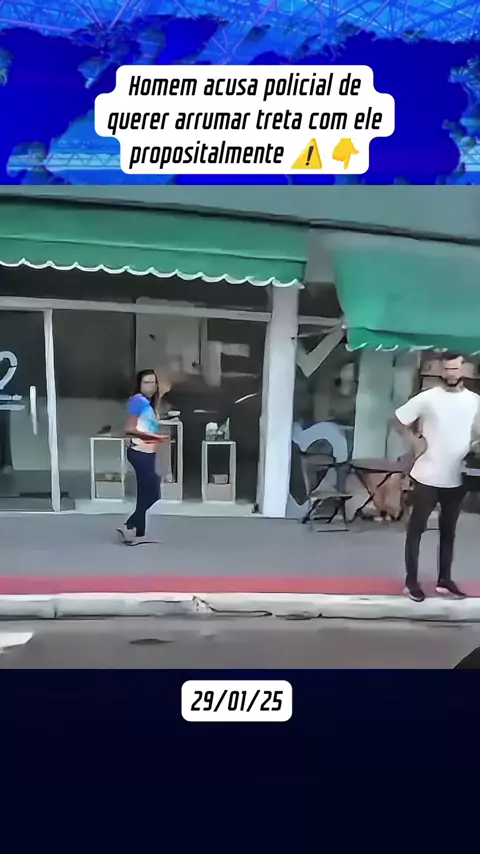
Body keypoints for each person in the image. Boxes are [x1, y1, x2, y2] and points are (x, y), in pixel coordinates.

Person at [394, 353, 479, 602]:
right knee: (416, 529)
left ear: (464, 370)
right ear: (441, 371)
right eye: (447, 369)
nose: (451, 373)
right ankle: (411, 582)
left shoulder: (475, 401)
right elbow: (398, 420)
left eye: (455, 368)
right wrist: (414, 442)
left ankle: (445, 580)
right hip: (426, 474)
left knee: (448, 531)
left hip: (457, 476)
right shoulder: (428, 397)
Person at [118, 369, 171, 545]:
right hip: (139, 452)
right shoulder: (138, 401)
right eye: (146, 382)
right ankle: (129, 525)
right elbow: (129, 428)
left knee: (144, 494)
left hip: (147, 452)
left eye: (153, 382)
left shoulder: (148, 404)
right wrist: (155, 437)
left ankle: (139, 534)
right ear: (139, 385)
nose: (151, 386)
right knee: (153, 493)